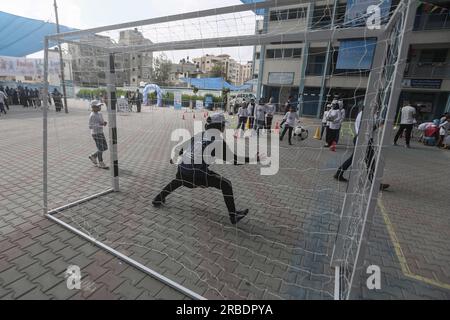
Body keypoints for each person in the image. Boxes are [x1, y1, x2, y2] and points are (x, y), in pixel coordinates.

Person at [152, 113, 261, 225]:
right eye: (223, 125)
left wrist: (175, 158)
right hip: (196, 176)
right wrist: (254, 159)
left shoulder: (201, 134)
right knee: (226, 184)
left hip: (182, 170)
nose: (224, 127)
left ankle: (158, 198)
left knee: (179, 180)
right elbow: (235, 161)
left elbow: (183, 147)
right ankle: (233, 216)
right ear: (219, 126)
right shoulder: (217, 141)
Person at [334, 110, 390, 191]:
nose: (377, 109)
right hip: (364, 139)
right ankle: (376, 183)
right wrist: (378, 124)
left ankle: (338, 173)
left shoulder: (364, 113)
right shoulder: (366, 114)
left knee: (354, 159)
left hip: (362, 139)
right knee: (370, 161)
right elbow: (367, 128)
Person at [88, 100, 109, 169]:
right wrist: (100, 124)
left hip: (100, 132)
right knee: (100, 148)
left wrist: (104, 123)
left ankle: (93, 156)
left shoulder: (100, 114)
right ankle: (101, 162)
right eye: (98, 106)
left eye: (100, 106)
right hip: (95, 134)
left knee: (105, 147)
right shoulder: (92, 115)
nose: (99, 107)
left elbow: (101, 121)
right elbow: (90, 126)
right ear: (93, 107)